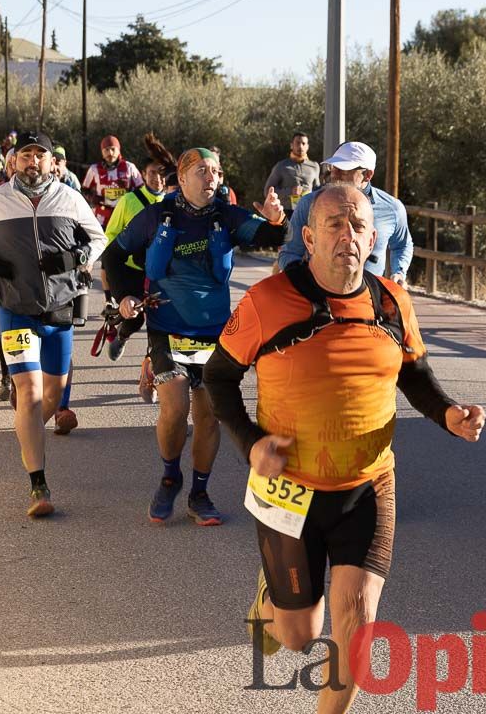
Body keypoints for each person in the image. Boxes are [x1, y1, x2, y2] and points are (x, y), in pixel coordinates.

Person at [204, 183, 486, 714]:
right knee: (296, 635)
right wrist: (251, 443)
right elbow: (219, 379)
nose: (347, 236)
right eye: (334, 224)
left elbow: (415, 373)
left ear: (373, 236)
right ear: (308, 238)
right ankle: (273, 596)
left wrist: (448, 412)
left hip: (369, 484)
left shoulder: (391, 301)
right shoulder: (267, 302)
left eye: (357, 225)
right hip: (289, 489)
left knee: (356, 624)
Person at [101, 148, 287, 526]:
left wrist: (275, 219)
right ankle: (171, 476)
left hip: (216, 332)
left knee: (209, 416)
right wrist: (125, 297)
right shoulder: (155, 216)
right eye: (202, 171)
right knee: (174, 409)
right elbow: (113, 258)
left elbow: (269, 235)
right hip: (168, 327)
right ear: (182, 179)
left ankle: (200, 492)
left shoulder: (226, 215)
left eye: (216, 171)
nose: (211, 178)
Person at [0, 131, 106, 517]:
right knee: (27, 393)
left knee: (53, 396)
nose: (33, 162)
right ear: (13, 161)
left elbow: (99, 238)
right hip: (15, 308)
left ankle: (27, 428)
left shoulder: (69, 198)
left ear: (50, 162)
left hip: (59, 308)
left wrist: (75, 257)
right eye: (25, 155)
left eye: (39, 156)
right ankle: (38, 485)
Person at [279, 141, 413, 286]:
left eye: (344, 170)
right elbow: (289, 253)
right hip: (318, 297)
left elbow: (403, 244)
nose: (335, 175)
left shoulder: (392, 208)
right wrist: (301, 283)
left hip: (368, 301)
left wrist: (399, 272)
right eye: (333, 167)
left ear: (367, 175)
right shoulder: (309, 204)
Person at [103, 133, 174, 362]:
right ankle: (122, 336)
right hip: (132, 270)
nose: (158, 179)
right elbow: (111, 235)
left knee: (160, 323)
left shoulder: (173, 202)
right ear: (143, 174)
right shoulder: (128, 201)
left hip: (161, 273)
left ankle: (154, 368)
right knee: (135, 319)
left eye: (162, 173)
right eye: (152, 173)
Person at [82, 135, 143, 228]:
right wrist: (93, 199)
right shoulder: (94, 169)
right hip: (102, 216)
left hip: (125, 213)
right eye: (106, 150)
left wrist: (133, 200)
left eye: (113, 149)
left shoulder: (129, 167)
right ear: (102, 152)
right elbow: (84, 189)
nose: (110, 153)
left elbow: (141, 188)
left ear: (119, 150)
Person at [264, 132, 320, 216]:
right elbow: (267, 192)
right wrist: (290, 191)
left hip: (308, 212)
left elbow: (317, 190)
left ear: (307, 147)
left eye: (303, 143)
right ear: (291, 145)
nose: (300, 146)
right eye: (297, 143)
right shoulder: (281, 166)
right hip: (285, 213)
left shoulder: (315, 166)